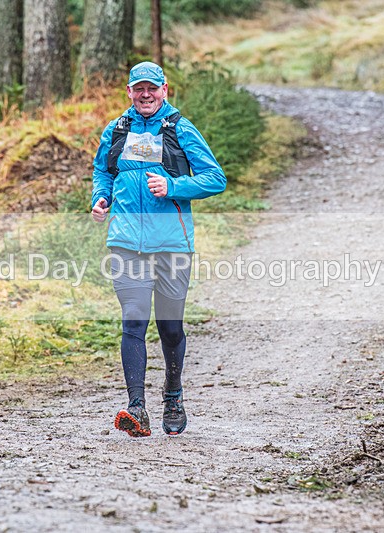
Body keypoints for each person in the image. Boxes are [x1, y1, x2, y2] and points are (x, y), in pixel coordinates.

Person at [90, 61, 226, 437]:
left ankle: (173, 396)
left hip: (171, 244)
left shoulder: (179, 129)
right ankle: (137, 408)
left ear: (165, 90)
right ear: (129, 92)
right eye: (139, 88)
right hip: (126, 242)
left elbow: (215, 178)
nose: (146, 94)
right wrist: (101, 197)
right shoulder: (117, 129)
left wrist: (174, 187)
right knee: (133, 320)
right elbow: (103, 171)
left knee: (170, 326)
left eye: (152, 88)